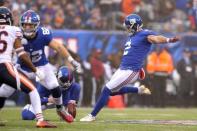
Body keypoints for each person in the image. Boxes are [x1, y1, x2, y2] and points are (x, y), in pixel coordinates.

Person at [80, 14, 179, 122]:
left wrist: (168, 40)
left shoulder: (145, 34)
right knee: (111, 92)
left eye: (128, 26)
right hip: (122, 68)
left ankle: (92, 115)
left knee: (106, 89)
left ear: (133, 26)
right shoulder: (132, 36)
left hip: (131, 70)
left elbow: (155, 39)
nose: (127, 28)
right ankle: (138, 89)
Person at [1, 10, 81, 123]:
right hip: (23, 67)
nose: (27, 27)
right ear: (21, 25)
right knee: (5, 91)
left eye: (30, 25)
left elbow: (58, 47)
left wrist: (71, 60)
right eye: (25, 24)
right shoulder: (16, 33)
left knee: (54, 85)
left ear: (36, 25)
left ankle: (60, 110)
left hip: (42, 65)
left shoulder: (43, 33)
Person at [0, 7, 56, 128]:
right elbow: (22, 54)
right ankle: (40, 120)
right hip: (4, 66)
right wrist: (36, 70)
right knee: (32, 90)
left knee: (3, 92)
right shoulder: (14, 30)